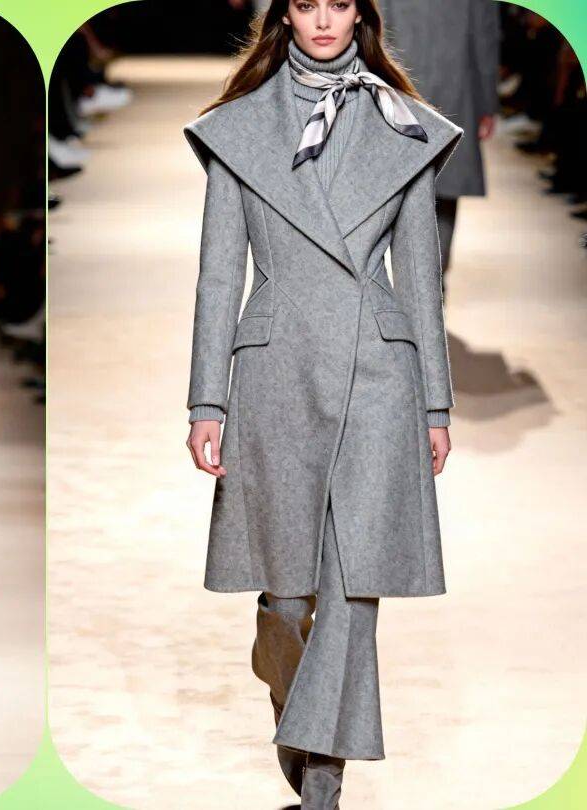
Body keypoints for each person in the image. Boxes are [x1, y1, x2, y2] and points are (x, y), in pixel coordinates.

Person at [181, 1, 459, 806]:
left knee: (352, 593)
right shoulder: (240, 128)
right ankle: (295, 712)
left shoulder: (404, 126)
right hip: (276, 372)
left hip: (379, 372)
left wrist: (435, 406)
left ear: (362, 14)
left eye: (341, 3)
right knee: (288, 600)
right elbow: (218, 274)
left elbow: (421, 277)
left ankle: (322, 791)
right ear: (285, 16)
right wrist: (206, 401)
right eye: (308, 4)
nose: (325, 21)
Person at [380, 0, 500, 285]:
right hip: (455, 85)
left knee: (402, 188)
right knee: (445, 188)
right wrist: (486, 101)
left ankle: (412, 283)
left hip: (401, 83)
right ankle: (434, 281)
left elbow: (377, 28)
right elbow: (485, 35)